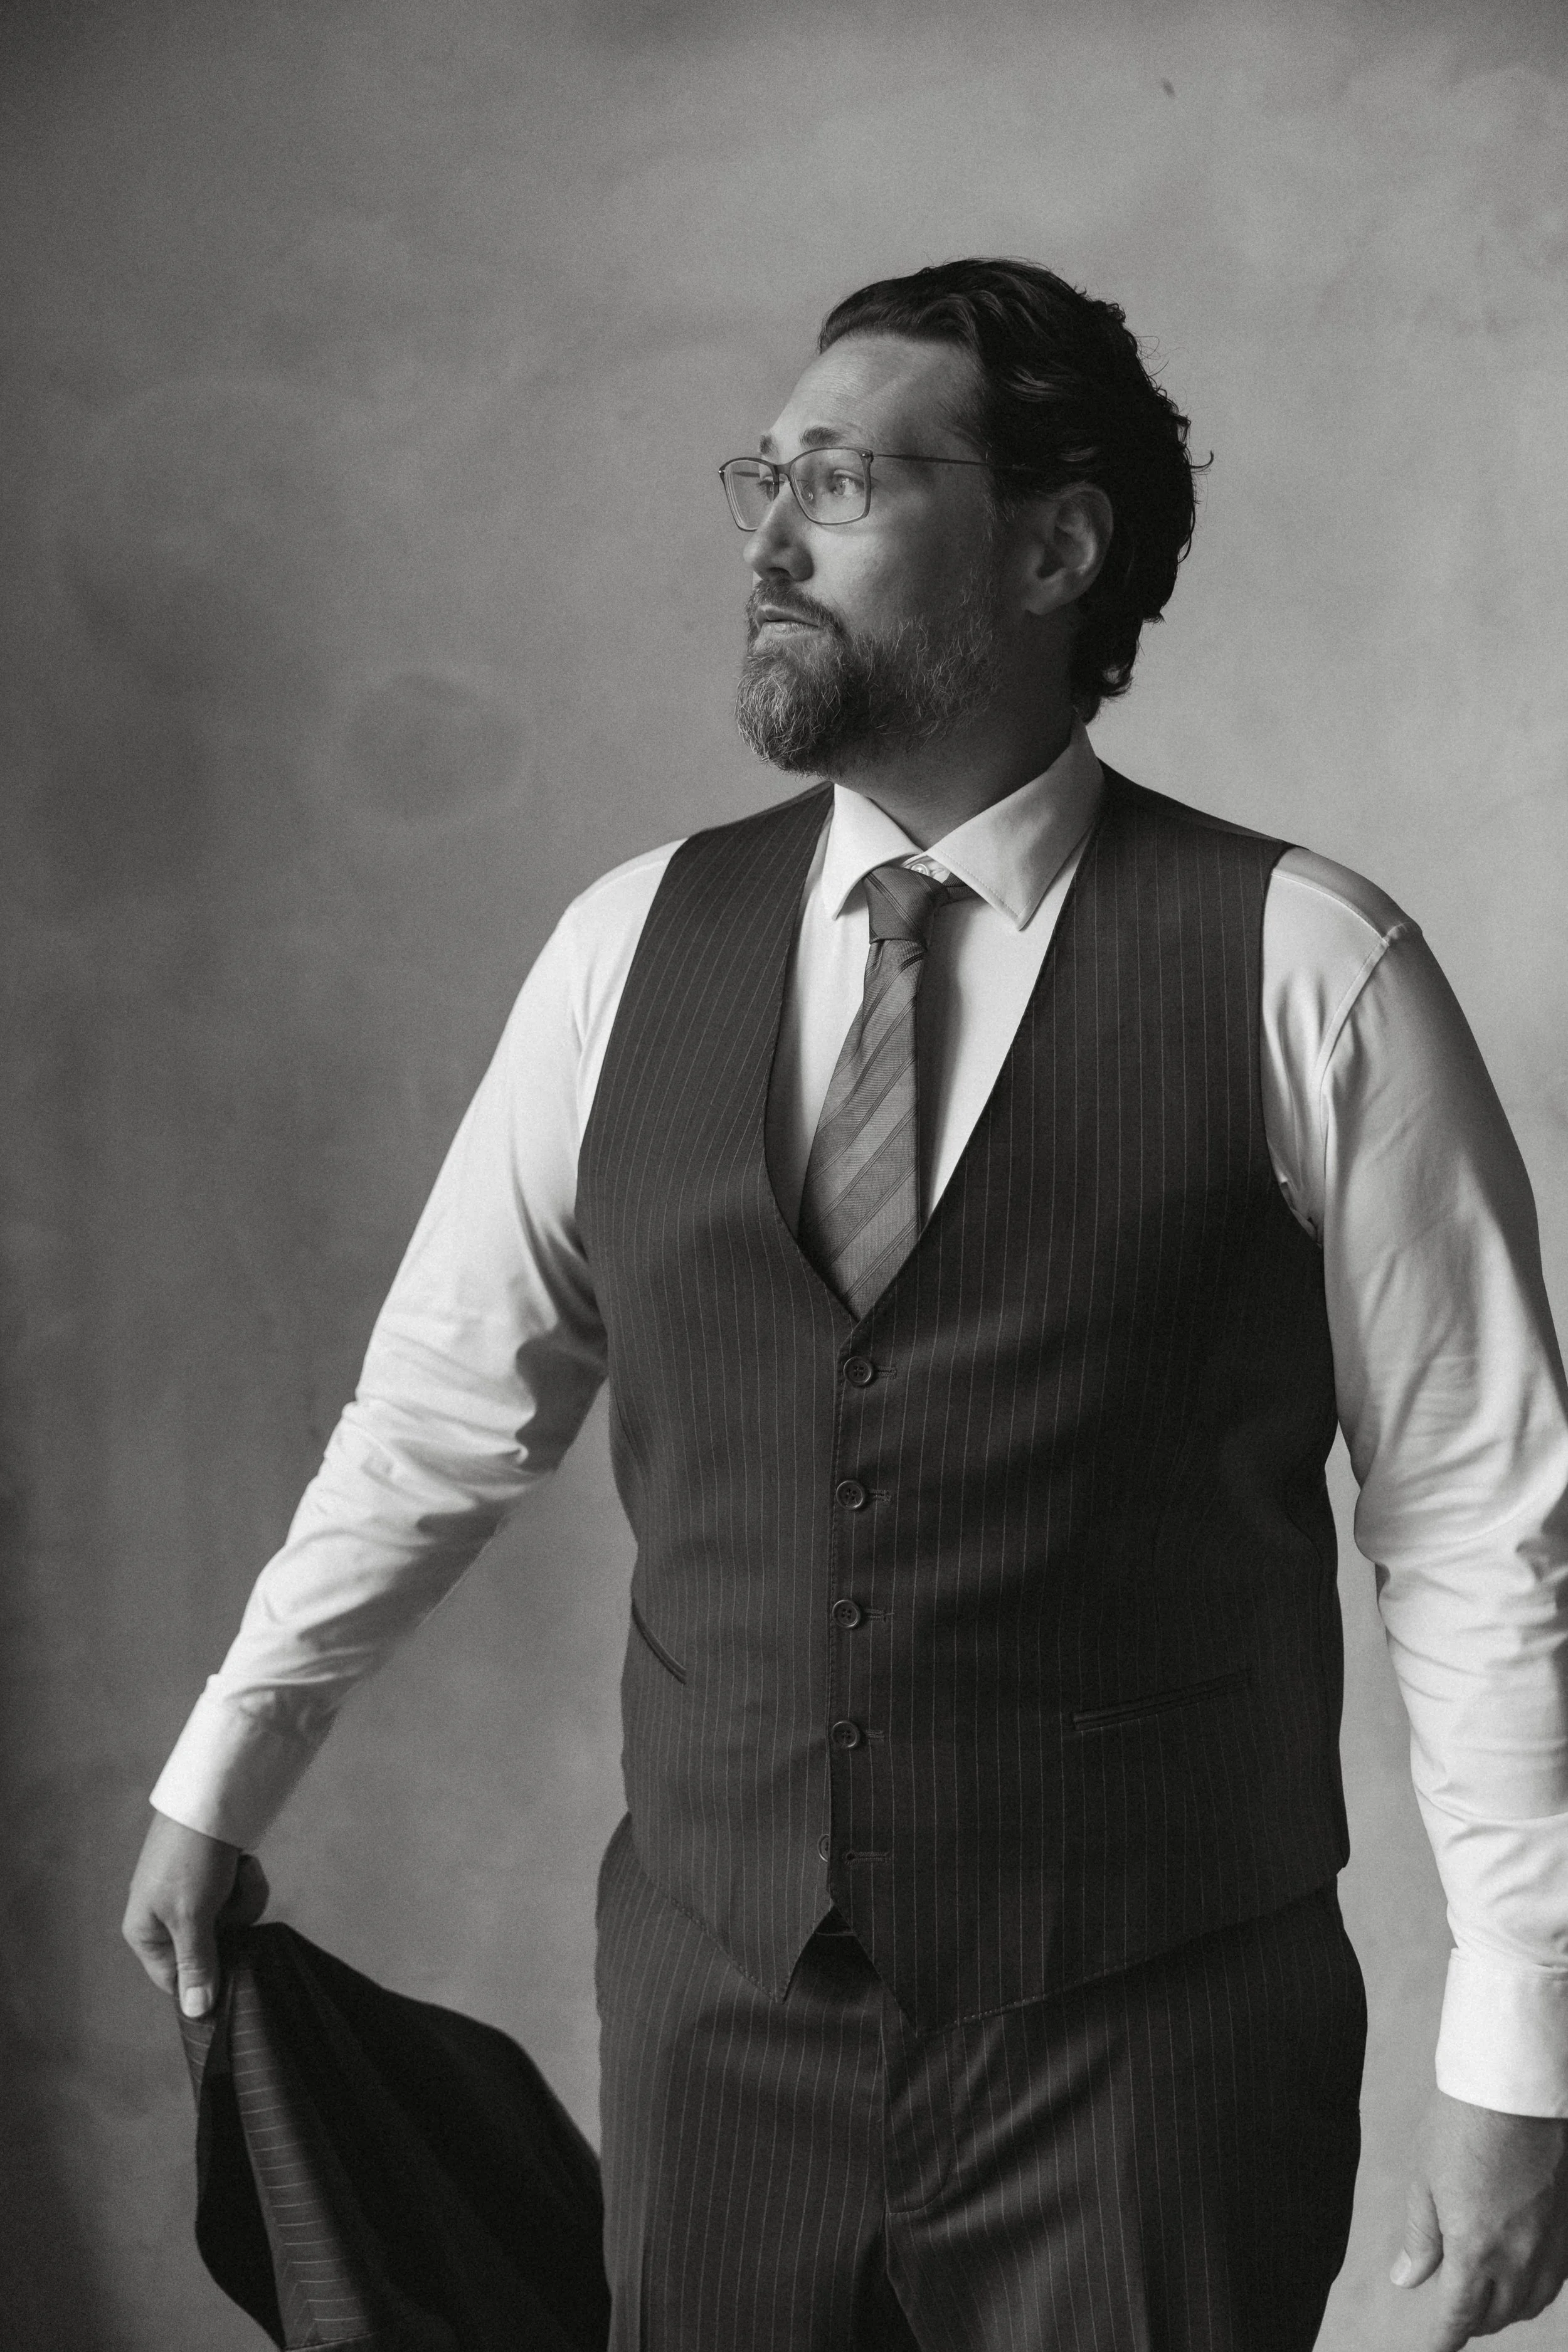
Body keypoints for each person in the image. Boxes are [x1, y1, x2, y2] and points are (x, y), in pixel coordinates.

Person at [125, 258, 1568, 2351]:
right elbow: (445, 1407)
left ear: (1057, 543)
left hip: (1148, 2039)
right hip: (722, 2027)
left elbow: (1478, 1519)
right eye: (762, 477)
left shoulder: (1303, 965)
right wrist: (222, 1771)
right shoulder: (628, 947)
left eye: (845, 481)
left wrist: (1519, 2054)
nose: (766, 537)